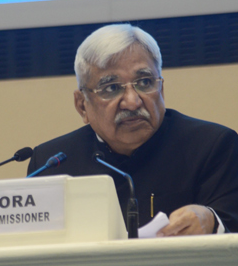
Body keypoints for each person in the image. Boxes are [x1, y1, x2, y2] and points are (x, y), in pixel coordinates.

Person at [27, 24, 238, 236]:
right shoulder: (51, 163)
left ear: (161, 90)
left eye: (145, 82)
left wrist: (211, 221)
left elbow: (232, 226)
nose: (132, 101)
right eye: (111, 88)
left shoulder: (213, 146)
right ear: (82, 105)